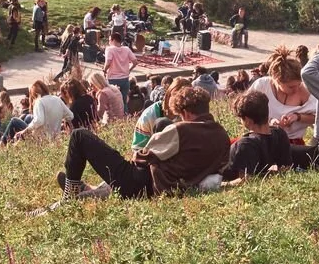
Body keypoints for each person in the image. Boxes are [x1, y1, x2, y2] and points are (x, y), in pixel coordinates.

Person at [58, 83, 232, 200]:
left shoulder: (181, 131)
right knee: (161, 124)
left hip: (140, 185)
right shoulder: (221, 135)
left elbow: (143, 157)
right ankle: (87, 189)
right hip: (178, 184)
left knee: (80, 136)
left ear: (185, 112)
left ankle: (70, 194)